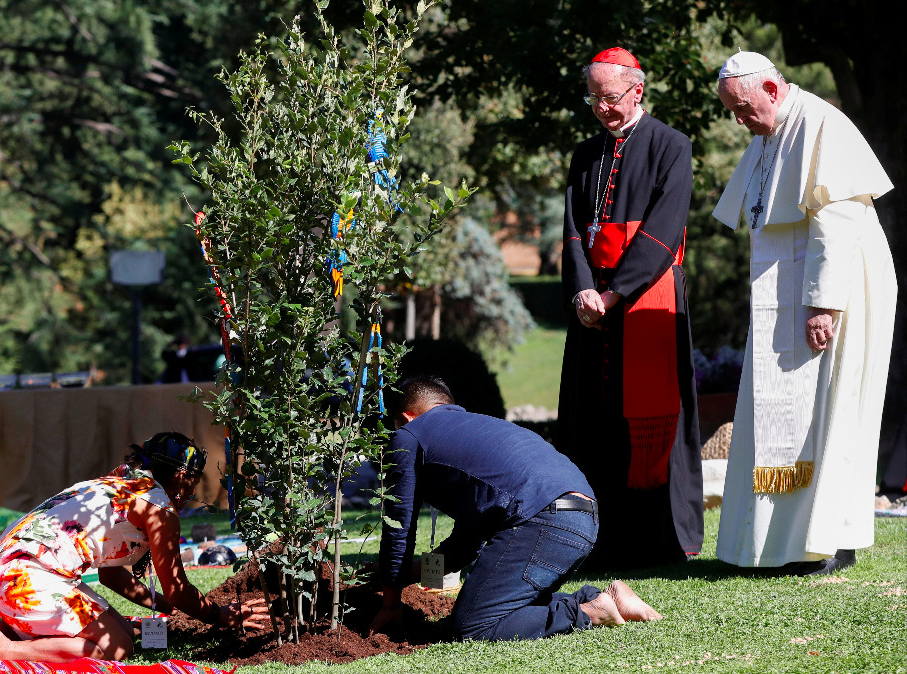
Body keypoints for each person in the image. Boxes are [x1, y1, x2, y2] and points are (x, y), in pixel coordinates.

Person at [712, 52, 897, 575]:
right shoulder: (770, 134)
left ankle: (829, 542)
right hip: (786, 292)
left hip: (837, 291)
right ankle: (778, 543)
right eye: (732, 112)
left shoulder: (821, 125)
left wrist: (822, 303)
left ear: (772, 87)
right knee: (783, 412)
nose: (741, 122)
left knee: (832, 411)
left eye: (744, 109)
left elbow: (835, 223)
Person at [369, 376, 662, 642]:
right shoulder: (476, 430)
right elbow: (463, 547)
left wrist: (391, 602)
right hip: (582, 516)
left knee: (472, 626)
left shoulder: (409, 436)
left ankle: (587, 611)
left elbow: (399, 527)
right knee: (506, 605)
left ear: (407, 418)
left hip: (542, 520)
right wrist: (401, 575)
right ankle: (603, 596)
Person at [556, 46, 703, 570]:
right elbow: (573, 232)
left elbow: (663, 233)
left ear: (636, 90)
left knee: (648, 424)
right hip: (592, 309)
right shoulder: (583, 154)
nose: (601, 108)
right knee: (592, 422)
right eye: (593, 98)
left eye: (610, 97)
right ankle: (594, 540)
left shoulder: (671, 146)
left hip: (646, 303)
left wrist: (614, 293)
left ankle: (660, 543)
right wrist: (582, 293)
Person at [0, 432, 271, 662]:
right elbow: (177, 588)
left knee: (125, 632)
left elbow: (111, 576)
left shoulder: (123, 483)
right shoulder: (158, 509)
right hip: (22, 577)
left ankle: (7, 627)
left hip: (7, 569)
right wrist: (219, 615)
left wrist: (169, 610)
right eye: (193, 481)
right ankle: (2, 647)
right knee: (115, 648)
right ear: (182, 476)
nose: (192, 490)